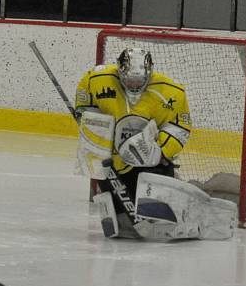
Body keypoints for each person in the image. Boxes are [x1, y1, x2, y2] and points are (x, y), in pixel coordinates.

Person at [75, 47, 235, 240]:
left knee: (156, 212)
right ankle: (120, 216)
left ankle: (178, 216)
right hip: (109, 159)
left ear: (149, 73)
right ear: (119, 72)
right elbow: (85, 103)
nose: (134, 85)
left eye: (139, 80)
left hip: (148, 160)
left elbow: (180, 126)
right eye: (129, 80)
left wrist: (159, 152)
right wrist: (92, 125)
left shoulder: (172, 92)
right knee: (123, 227)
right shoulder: (96, 79)